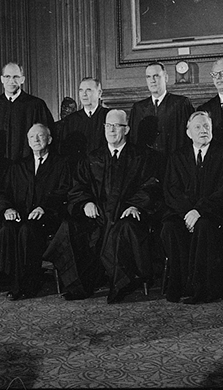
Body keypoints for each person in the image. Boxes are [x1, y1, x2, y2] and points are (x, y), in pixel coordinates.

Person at [45, 109, 160, 304]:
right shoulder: (92, 157)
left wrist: (134, 206)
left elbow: (151, 185)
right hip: (97, 216)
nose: (112, 130)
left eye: (117, 126)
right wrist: (86, 202)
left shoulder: (142, 156)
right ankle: (79, 284)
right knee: (70, 227)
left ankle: (121, 284)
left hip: (125, 214)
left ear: (127, 129)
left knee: (125, 229)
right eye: (108, 125)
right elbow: (78, 186)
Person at [161, 111, 223, 304]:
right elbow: (171, 190)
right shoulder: (178, 156)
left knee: (205, 226)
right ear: (188, 132)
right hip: (185, 213)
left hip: (216, 214)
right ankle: (180, 287)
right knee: (170, 228)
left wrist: (199, 211)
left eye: (206, 126)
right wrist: (188, 212)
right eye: (197, 127)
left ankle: (204, 290)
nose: (203, 130)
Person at [0, 123, 71, 301]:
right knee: (8, 229)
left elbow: (64, 191)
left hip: (47, 217)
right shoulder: (18, 166)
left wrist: (44, 207)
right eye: (32, 137)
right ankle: (14, 282)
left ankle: (30, 283)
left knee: (28, 230)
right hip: (20, 215)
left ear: (49, 139)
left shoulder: (61, 164)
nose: (36, 140)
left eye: (40, 136)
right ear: (27, 141)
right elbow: (0, 192)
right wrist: (7, 209)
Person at [0, 62, 55, 181]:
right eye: (7, 77)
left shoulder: (35, 105)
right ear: (2, 79)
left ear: (22, 79)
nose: (11, 81)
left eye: (16, 77)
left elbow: (47, 139)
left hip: (27, 172)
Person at [129, 62, 194, 181]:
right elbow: (133, 141)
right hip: (147, 172)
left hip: (175, 169)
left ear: (166, 78)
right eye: (148, 77)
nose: (152, 80)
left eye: (156, 76)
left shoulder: (180, 104)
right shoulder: (138, 108)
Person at [55, 77, 109, 166]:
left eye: (88, 90)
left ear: (99, 93)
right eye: (81, 90)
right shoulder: (71, 120)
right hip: (77, 174)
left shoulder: (109, 116)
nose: (84, 94)